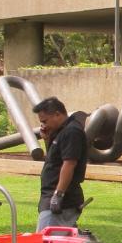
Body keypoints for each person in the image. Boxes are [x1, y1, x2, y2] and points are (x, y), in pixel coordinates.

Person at [33, 96, 87, 232]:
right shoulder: (60, 132)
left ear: (57, 114)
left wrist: (58, 195)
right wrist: (48, 138)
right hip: (51, 197)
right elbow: (54, 159)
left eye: (45, 121)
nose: (44, 125)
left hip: (62, 200)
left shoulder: (71, 132)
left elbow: (69, 164)